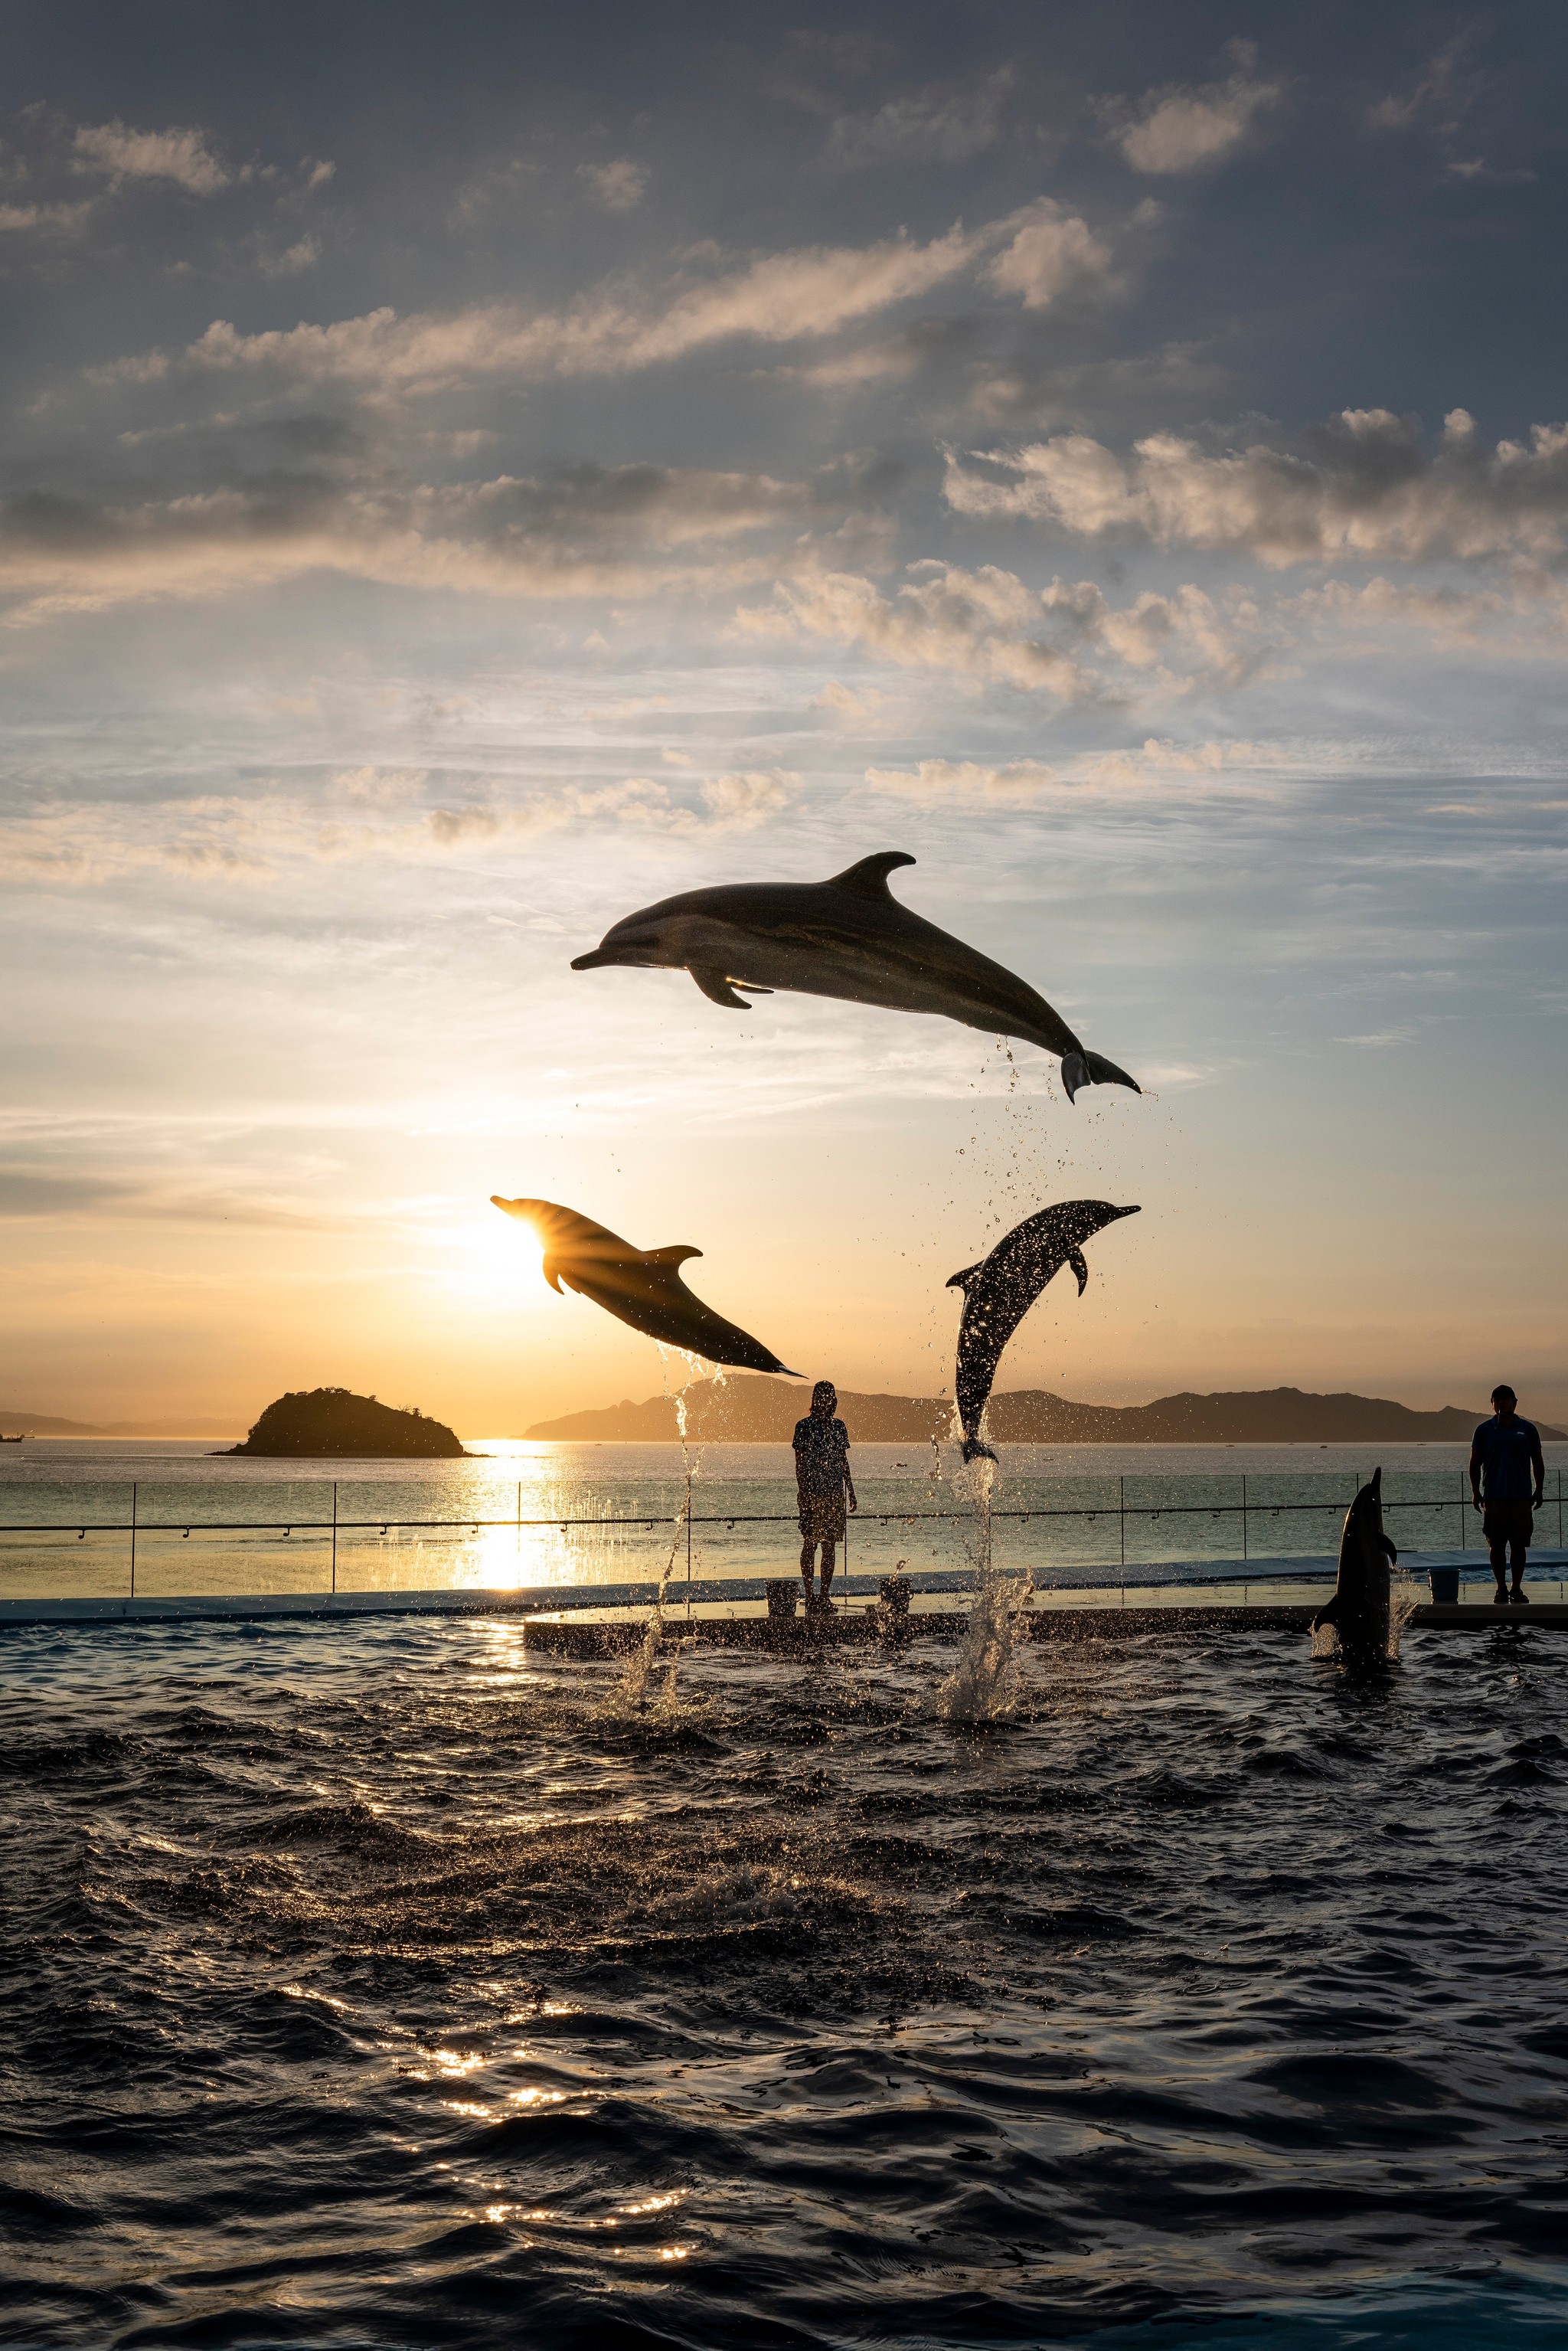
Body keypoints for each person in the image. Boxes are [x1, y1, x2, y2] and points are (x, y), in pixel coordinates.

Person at [1470, 1385, 1545, 1606]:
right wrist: (1475, 1491)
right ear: (1492, 1403)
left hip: (1521, 1496)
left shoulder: (1528, 1430)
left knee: (1519, 1544)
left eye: (1506, 1399)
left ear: (1515, 1402)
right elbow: (1475, 1463)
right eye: (1498, 1399)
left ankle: (1516, 1588)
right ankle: (1501, 1588)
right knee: (1496, 1543)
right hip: (1494, 1496)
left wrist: (1539, 1489)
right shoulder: (1484, 1430)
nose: (1502, 1403)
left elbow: (1538, 1462)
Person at [793, 1379, 857, 1610]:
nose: (824, 1400)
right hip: (812, 1494)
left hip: (833, 1494)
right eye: (820, 1395)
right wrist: (803, 1493)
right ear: (814, 1399)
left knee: (829, 1546)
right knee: (810, 1544)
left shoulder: (839, 1427)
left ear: (833, 1400)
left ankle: (824, 1596)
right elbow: (799, 1465)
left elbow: (843, 1461)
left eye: (828, 1396)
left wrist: (850, 1490)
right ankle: (810, 1595)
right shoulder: (803, 1427)